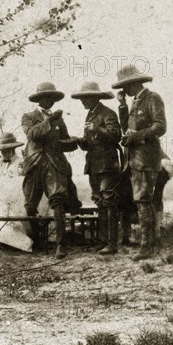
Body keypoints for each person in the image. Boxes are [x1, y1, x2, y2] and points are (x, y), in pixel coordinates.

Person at [113, 65, 167, 260]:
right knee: (142, 200)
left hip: (146, 158)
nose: (124, 90)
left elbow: (160, 127)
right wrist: (122, 105)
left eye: (125, 86)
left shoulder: (152, 98)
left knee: (143, 200)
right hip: (134, 159)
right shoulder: (135, 102)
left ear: (134, 83)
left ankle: (147, 247)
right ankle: (151, 244)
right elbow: (127, 126)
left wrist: (136, 137)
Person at [21, 82, 79, 258]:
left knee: (57, 201)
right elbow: (32, 135)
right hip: (34, 164)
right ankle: (38, 240)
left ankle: (61, 244)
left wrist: (75, 142)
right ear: (40, 99)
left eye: (53, 98)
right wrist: (50, 120)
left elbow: (65, 141)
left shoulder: (59, 119)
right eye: (47, 97)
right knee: (30, 204)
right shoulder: (28, 116)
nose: (51, 101)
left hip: (54, 164)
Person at [72, 82, 122, 255]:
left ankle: (112, 243)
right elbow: (89, 144)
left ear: (95, 97)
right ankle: (102, 242)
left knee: (109, 201)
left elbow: (116, 136)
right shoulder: (90, 115)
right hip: (94, 165)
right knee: (100, 202)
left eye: (85, 98)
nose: (83, 101)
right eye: (81, 98)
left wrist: (97, 129)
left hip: (108, 165)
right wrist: (80, 141)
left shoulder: (108, 113)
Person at [153, 150, 173, 247]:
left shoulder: (155, 147)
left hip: (157, 175)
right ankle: (156, 235)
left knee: (156, 202)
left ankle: (156, 235)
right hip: (152, 176)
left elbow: (171, 164)